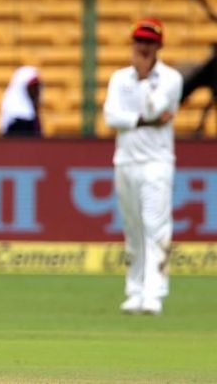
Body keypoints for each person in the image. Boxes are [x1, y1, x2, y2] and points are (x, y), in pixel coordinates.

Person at [103, 17, 183, 316]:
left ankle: (154, 293)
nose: (143, 47)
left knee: (155, 226)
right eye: (139, 41)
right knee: (133, 229)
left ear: (159, 45)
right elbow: (111, 117)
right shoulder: (118, 78)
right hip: (125, 161)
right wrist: (140, 121)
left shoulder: (170, 79)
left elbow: (157, 108)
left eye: (149, 42)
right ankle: (134, 292)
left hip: (157, 162)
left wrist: (145, 76)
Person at [0, 65, 42, 137]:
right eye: (33, 87)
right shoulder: (12, 112)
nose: (36, 91)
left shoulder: (33, 111)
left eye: (37, 87)